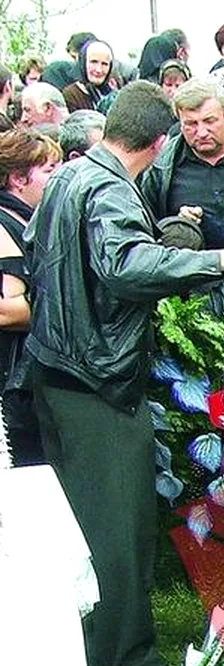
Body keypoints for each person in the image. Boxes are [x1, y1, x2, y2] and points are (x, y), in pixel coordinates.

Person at [24, 80, 224, 666]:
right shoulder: (107, 187)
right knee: (119, 528)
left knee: (87, 527)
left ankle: (99, 650)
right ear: (159, 143)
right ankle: (128, 665)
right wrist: (220, 261)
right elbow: (124, 266)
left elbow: (50, 253)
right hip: (95, 386)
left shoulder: (68, 178)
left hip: (57, 375)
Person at [0, 130, 60, 466]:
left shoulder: (27, 219)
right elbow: (9, 311)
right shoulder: (1, 224)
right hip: (11, 380)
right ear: (19, 178)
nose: (57, 174)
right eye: (49, 168)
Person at [141, 79, 224, 250]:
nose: (201, 132)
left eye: (209, 121)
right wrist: (176, 227)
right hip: (193, 271)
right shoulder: (161, 168)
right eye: (191, 124)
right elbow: (147, 229)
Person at [62, 40, 114, 112]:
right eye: (93, 62)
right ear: (83, 63)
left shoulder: (113, 93)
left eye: (104, 64)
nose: (99, 70)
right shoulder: (71, 95)